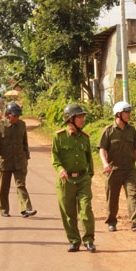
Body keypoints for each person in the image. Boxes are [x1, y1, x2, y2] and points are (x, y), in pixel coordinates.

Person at [51, 103, 96, 252]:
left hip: (83, 179)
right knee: (68, 213)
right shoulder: (59, 137)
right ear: (70, 119)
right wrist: (60, 169)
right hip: (66, 181)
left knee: (86, 210)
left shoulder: (85, 137)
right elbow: (55, 158)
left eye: (83, 116)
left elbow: (89, 159)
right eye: (80, 117)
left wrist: (89, 176)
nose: (83, 120)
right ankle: (74, 240)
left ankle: (89, 240)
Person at [98, 101, 136, 233]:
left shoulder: (131, 130)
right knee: (112, 197)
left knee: (133, 194)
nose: (129, 115)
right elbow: (102, 149)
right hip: (113, 170)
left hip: (129, 170)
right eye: (126, 112)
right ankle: (111, 221)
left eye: (129, 112)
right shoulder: (108, 131)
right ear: (118, 114)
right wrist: (105, 163)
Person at [0, 102, 37, 218]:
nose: (16, 118)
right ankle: (3, 209)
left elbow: (24, 142)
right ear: (8, 114)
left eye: (18, 116)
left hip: (20, 161)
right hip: (5, 162)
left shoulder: (22, 125)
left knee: (21, 185)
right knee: (4, 187)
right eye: (14, 116)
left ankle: (26, 209)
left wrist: (26, 156)